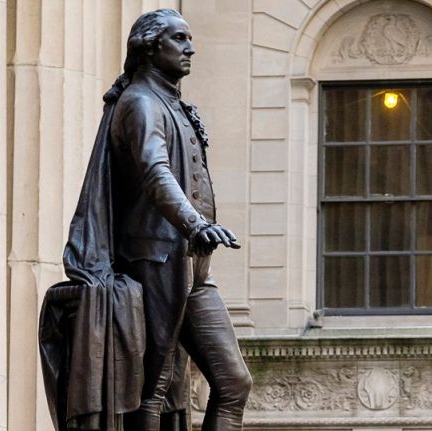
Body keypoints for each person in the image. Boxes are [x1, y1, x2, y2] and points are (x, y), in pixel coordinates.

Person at [110, 9, 252, 431]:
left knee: (233, 383)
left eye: (189, 38)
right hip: (155, 260)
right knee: (151, 389)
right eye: (179, 39)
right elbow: (155, 170)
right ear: (151, 47)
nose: (190, 48)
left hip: (192, 268)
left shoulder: (169, 102)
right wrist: (194, 223)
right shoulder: (140, 101)